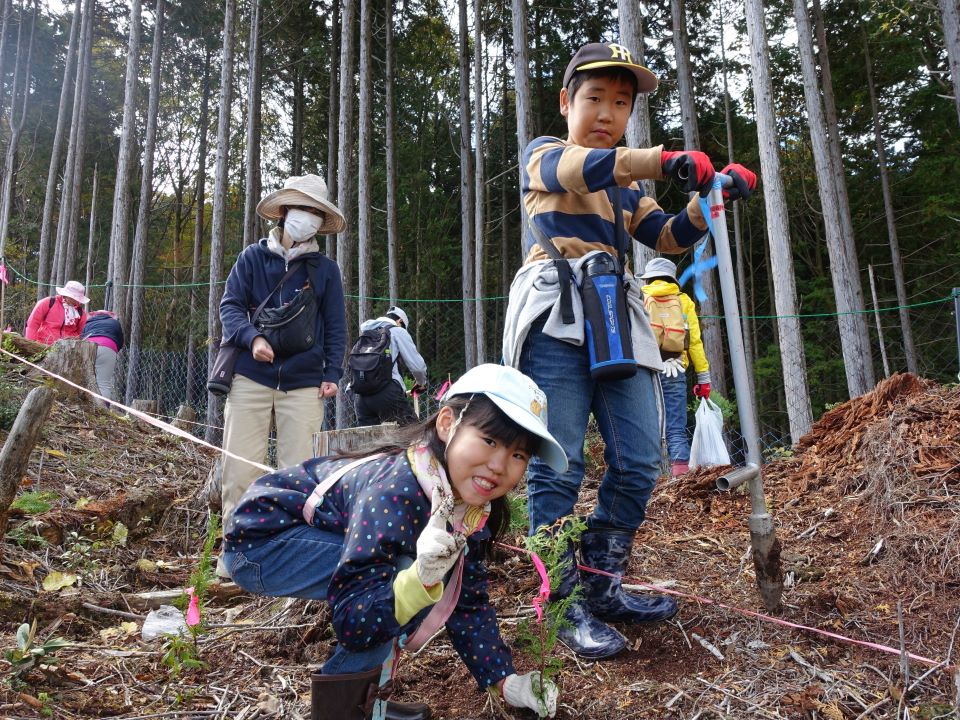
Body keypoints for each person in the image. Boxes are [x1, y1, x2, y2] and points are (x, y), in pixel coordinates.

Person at [501, 42, 756, 659]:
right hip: (557, 318)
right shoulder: (545, 156)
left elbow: (666, 236)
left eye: (622, 102)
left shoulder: (623, 187)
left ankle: (601, 582)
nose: (608, 113)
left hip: (616, 317)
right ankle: (555, 602)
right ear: (566, 103)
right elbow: (585, 169)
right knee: (557, 464)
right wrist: (664, 159)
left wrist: (712, 193)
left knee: (641, 459)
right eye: (595, 98)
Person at [223, 364, 567, 720]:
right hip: (262, 544)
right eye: (490, 440)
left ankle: (371, 704)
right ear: (447, 424)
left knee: (411, 579)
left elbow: (467, 603)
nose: (499, 465)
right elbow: (356, 620)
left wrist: (505, 681)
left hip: (305, 536)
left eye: (518, 455)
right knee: (401, 580)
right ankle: (343, 712)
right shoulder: (396, 492)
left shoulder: (467, 507)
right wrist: (417, 583)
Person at [216, 174, 347, 579]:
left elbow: (336, 325)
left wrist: (333, 372)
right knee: (240, 468)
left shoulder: (326, 270)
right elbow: (230, 307)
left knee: (301, 473)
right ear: (284, 211)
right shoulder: (251, 259)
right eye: (300, 209)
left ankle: (289, 556)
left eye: (313, 212)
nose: (304, 218)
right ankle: (235, 552)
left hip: (306, 382)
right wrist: (251, 338)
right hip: (251, 377)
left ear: (320, 220)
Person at [640, 257, 711, 477]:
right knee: (676, 426)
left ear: (649, 278)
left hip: (645, 368)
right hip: (676, 366)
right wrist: (703, 378)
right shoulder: (684, 301)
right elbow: (695, 341)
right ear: (673, 279)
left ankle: (648, 476)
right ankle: (680, 476)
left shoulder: (640, 296)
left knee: (645, 423)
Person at [353, 306, 428, 427]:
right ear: (399, 321)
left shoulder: (367, 332)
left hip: (361, 397)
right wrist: (421, 382)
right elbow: (418, 367)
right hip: (387, 393)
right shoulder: (397, 331)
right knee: (414, 434)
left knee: (371, 443)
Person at [25, 280, 89, 344]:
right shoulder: (48, 302)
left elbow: (82, 333)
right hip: (44, 345)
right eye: (74, 298)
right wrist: (30, 343)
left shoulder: (80, 312)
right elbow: (33, 323)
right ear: (67, 295)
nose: (77, 301)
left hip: (69, 348)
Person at [81, 310, 125, 402]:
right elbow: (120, 341)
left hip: (87, 346)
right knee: (103, 383)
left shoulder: (87, 323)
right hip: (107, 347)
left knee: (84, 380)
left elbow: (81, 337)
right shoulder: (115, 323)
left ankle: (86, 405)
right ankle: (103, 409)